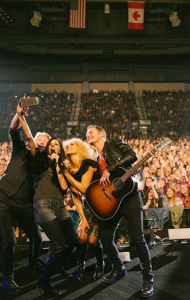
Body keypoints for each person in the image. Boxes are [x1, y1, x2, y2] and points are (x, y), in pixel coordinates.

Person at [86, 125, 154, 298]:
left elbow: (133, 156)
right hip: (112, 202)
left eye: (91, 132)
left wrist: (111, 167)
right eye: (87, 133)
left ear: (101, 134)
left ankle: (148, 279)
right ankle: (118, 268)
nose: (88, 134)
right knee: (105, 238)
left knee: (138, 239)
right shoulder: (96, 158)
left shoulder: (114, 143)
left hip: (129, 197)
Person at [18, 102, 77, 296]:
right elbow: (28, 136)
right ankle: (44, 281)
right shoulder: (37, 156)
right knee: (59, 245)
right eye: (45, 143)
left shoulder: (59, 164)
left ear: (58, 148)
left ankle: (56, 265)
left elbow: (62, 187)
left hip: (59, 206)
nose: (48, 146)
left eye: (52, 144)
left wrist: (58, 166)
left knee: (72, 241)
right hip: (43, 206)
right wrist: (21, 116)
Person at [0, 99, 50, 294]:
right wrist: (18, 115)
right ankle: (8, 276)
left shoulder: (43, 162)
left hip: (25, 204)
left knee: (38, 238)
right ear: (32, 139)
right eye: (39, 140)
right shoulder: (19, 149)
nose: (41, 143)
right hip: (4, 200)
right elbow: (14, 131)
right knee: (10, 240)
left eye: (45, 143)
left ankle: (33, 263)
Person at [62, 138, 104, 282]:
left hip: (100, 205)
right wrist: (83, 219)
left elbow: (84, 188)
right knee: (82, 238)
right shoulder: (70, 170)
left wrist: (67, 175)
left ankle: (100, 263)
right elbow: (76, 197)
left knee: (92, 241)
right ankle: (81, 265)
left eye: (72, 144)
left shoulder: (89, 164)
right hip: (86, 207)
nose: (68, 146)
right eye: (67, 145)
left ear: (80, 148)